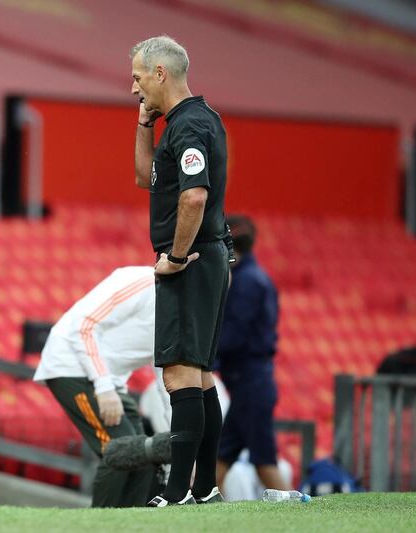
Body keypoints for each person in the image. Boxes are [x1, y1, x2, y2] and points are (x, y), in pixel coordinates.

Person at [131, 35, 231, 506]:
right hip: (205, 257)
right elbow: (144, 177)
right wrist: (143, 126)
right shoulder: (187, 122)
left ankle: (176, 494)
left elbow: (194, 196)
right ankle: (207, 486)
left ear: (160, 73)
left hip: (189, 260)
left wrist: (173, 257)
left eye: (137, 77)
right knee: (200, 374)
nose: (134, 88)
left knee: (179, 374)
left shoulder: (190, 126)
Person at [34, 266, 164, 507]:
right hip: (72, 366)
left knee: (144, 458)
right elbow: (83, 326)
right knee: (121, 449)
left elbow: (167, 378)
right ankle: (99, 523)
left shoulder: (188, 315)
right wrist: (104, 387)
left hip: (111, 380)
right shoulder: (142, 282)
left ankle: (129, 524)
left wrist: (177, 452)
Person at [215, 215, 290, 492]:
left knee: (264, 462)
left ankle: (298, 518)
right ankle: (200, 507)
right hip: (251, 383)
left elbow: (234, 335)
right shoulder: (257, 278)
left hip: (251, 383)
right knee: (221, 456)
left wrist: (203, 355)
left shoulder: (246, 281)